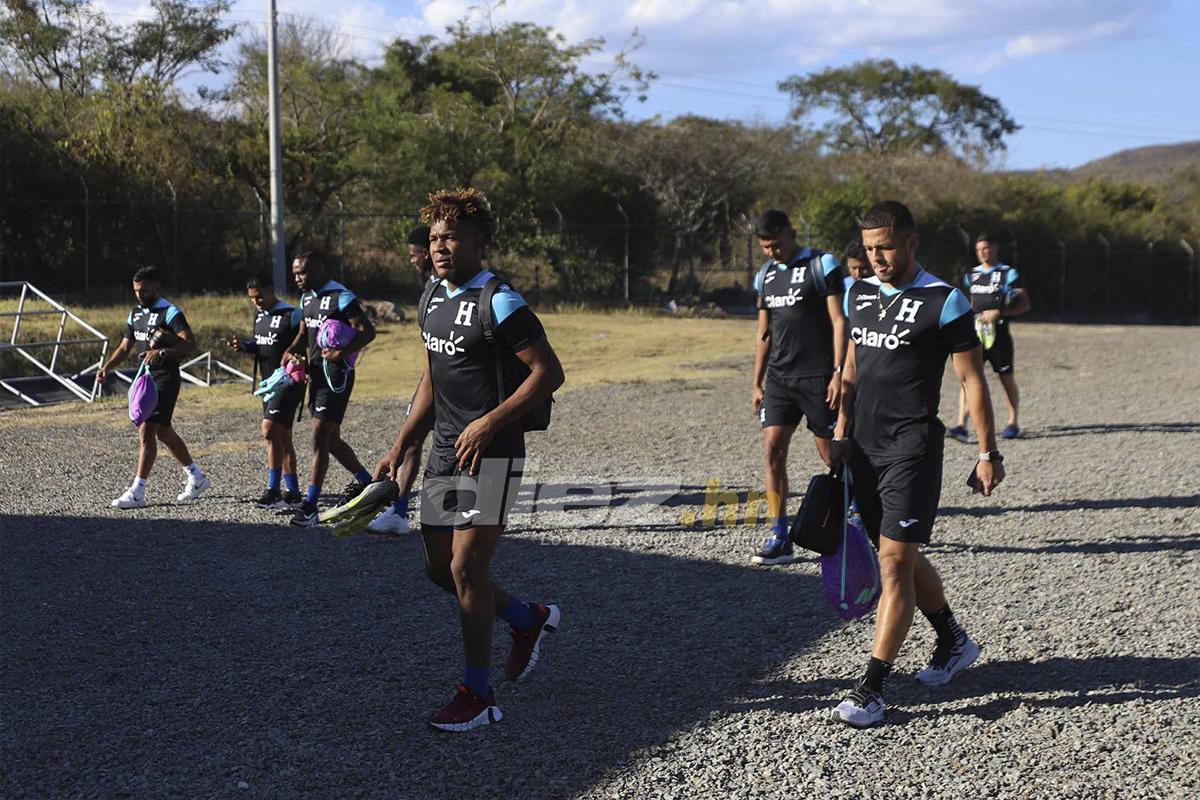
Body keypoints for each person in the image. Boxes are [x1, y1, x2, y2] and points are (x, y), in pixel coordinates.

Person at [376, 188, 565, 732]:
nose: (440, 247)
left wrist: (489, 422)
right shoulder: (432, 296)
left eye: (452, 236)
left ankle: (477, 694)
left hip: (493, 452)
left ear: (479, 241)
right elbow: (434, 376)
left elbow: (548, 374)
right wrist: (402, 442)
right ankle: (526, 619)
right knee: (440, 568)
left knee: (466, 567)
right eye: (434, 237)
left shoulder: (499, 301)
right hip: (444, 451)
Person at [830, 200, 1005, 728]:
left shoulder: (945, 300)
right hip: (863, 446)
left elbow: (972, 380)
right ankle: (952, 640)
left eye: (885, 247)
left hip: (913, 447)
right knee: (892, 552)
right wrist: (840, 434)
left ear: (911, 242)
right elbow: (855, 364)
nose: (877, 258)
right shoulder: (857, 291)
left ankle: (872, 688)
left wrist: (987, 451)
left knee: (892, 566)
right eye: (869, 249)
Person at [749, 210, 847, 566]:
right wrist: (756, 381)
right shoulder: (766, 275)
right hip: (779, 379)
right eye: (764, 247)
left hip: (818, 377)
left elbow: (839, 321)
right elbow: (765, 332)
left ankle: (852, 522)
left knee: (832, 457)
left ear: (791, 234)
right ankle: (779, 533)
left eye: (776, 244)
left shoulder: (822, 265)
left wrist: (838, 372)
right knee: (772, 451)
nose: (771, 252)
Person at [98, 266, 211, 508]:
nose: (140, 295)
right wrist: (107, 366)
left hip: (166, 377)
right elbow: (125, 346)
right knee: (163, 431)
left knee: (147, 429)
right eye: (137, 291)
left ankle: (138, 491)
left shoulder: (170, 312)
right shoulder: (136, 313)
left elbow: (190, 344)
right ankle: (196, 476)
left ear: (157, 287)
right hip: (146, 378)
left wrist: (162, 352)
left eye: (144, 290)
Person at [281, 249, 377, 527]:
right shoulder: (307, 297)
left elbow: (367, 331)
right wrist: (291, 350)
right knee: (331, 441)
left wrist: (341, 352)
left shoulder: (341, 296)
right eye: (295, 273)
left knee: (318, 437)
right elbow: (303, 332)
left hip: (337, 376)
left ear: (320, 269)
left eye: (303, 272)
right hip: (315, 376)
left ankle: (310, 506)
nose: (298, 278)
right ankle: (369, 485)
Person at [367, 224, 434, 535]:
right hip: (432, 381)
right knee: (411, 441)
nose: (411, 261)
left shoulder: (452, 288)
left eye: (413, 254)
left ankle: (471, 516)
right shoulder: (431, 288)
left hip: (456, 387)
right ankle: (399, 511)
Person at [227, 271, 305, 509]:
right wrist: (245, 346)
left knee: (269, 430)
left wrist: (298, 355)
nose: (256, 302)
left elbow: (307, 339)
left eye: (259, 296)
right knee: (283, 436)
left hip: (289, 382)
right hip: (268, 384)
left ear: (272, 291)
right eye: (252, 298)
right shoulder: (259, 315)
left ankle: (273, 491)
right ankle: (293, 492)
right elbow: (262, 344)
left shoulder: (292, 315)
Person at [947, 232, 1031, 442]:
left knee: (1005, 377)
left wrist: (1000, 312)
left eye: (986, 248)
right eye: (978, 250)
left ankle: (1013, 422)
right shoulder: (971, 275)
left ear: (994, 249)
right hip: (974, 334)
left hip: (999, 335)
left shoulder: (1008, 273)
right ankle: (961, 424)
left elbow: (1025, 304)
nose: (982, 253)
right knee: (968, 377)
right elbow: (966, 301)